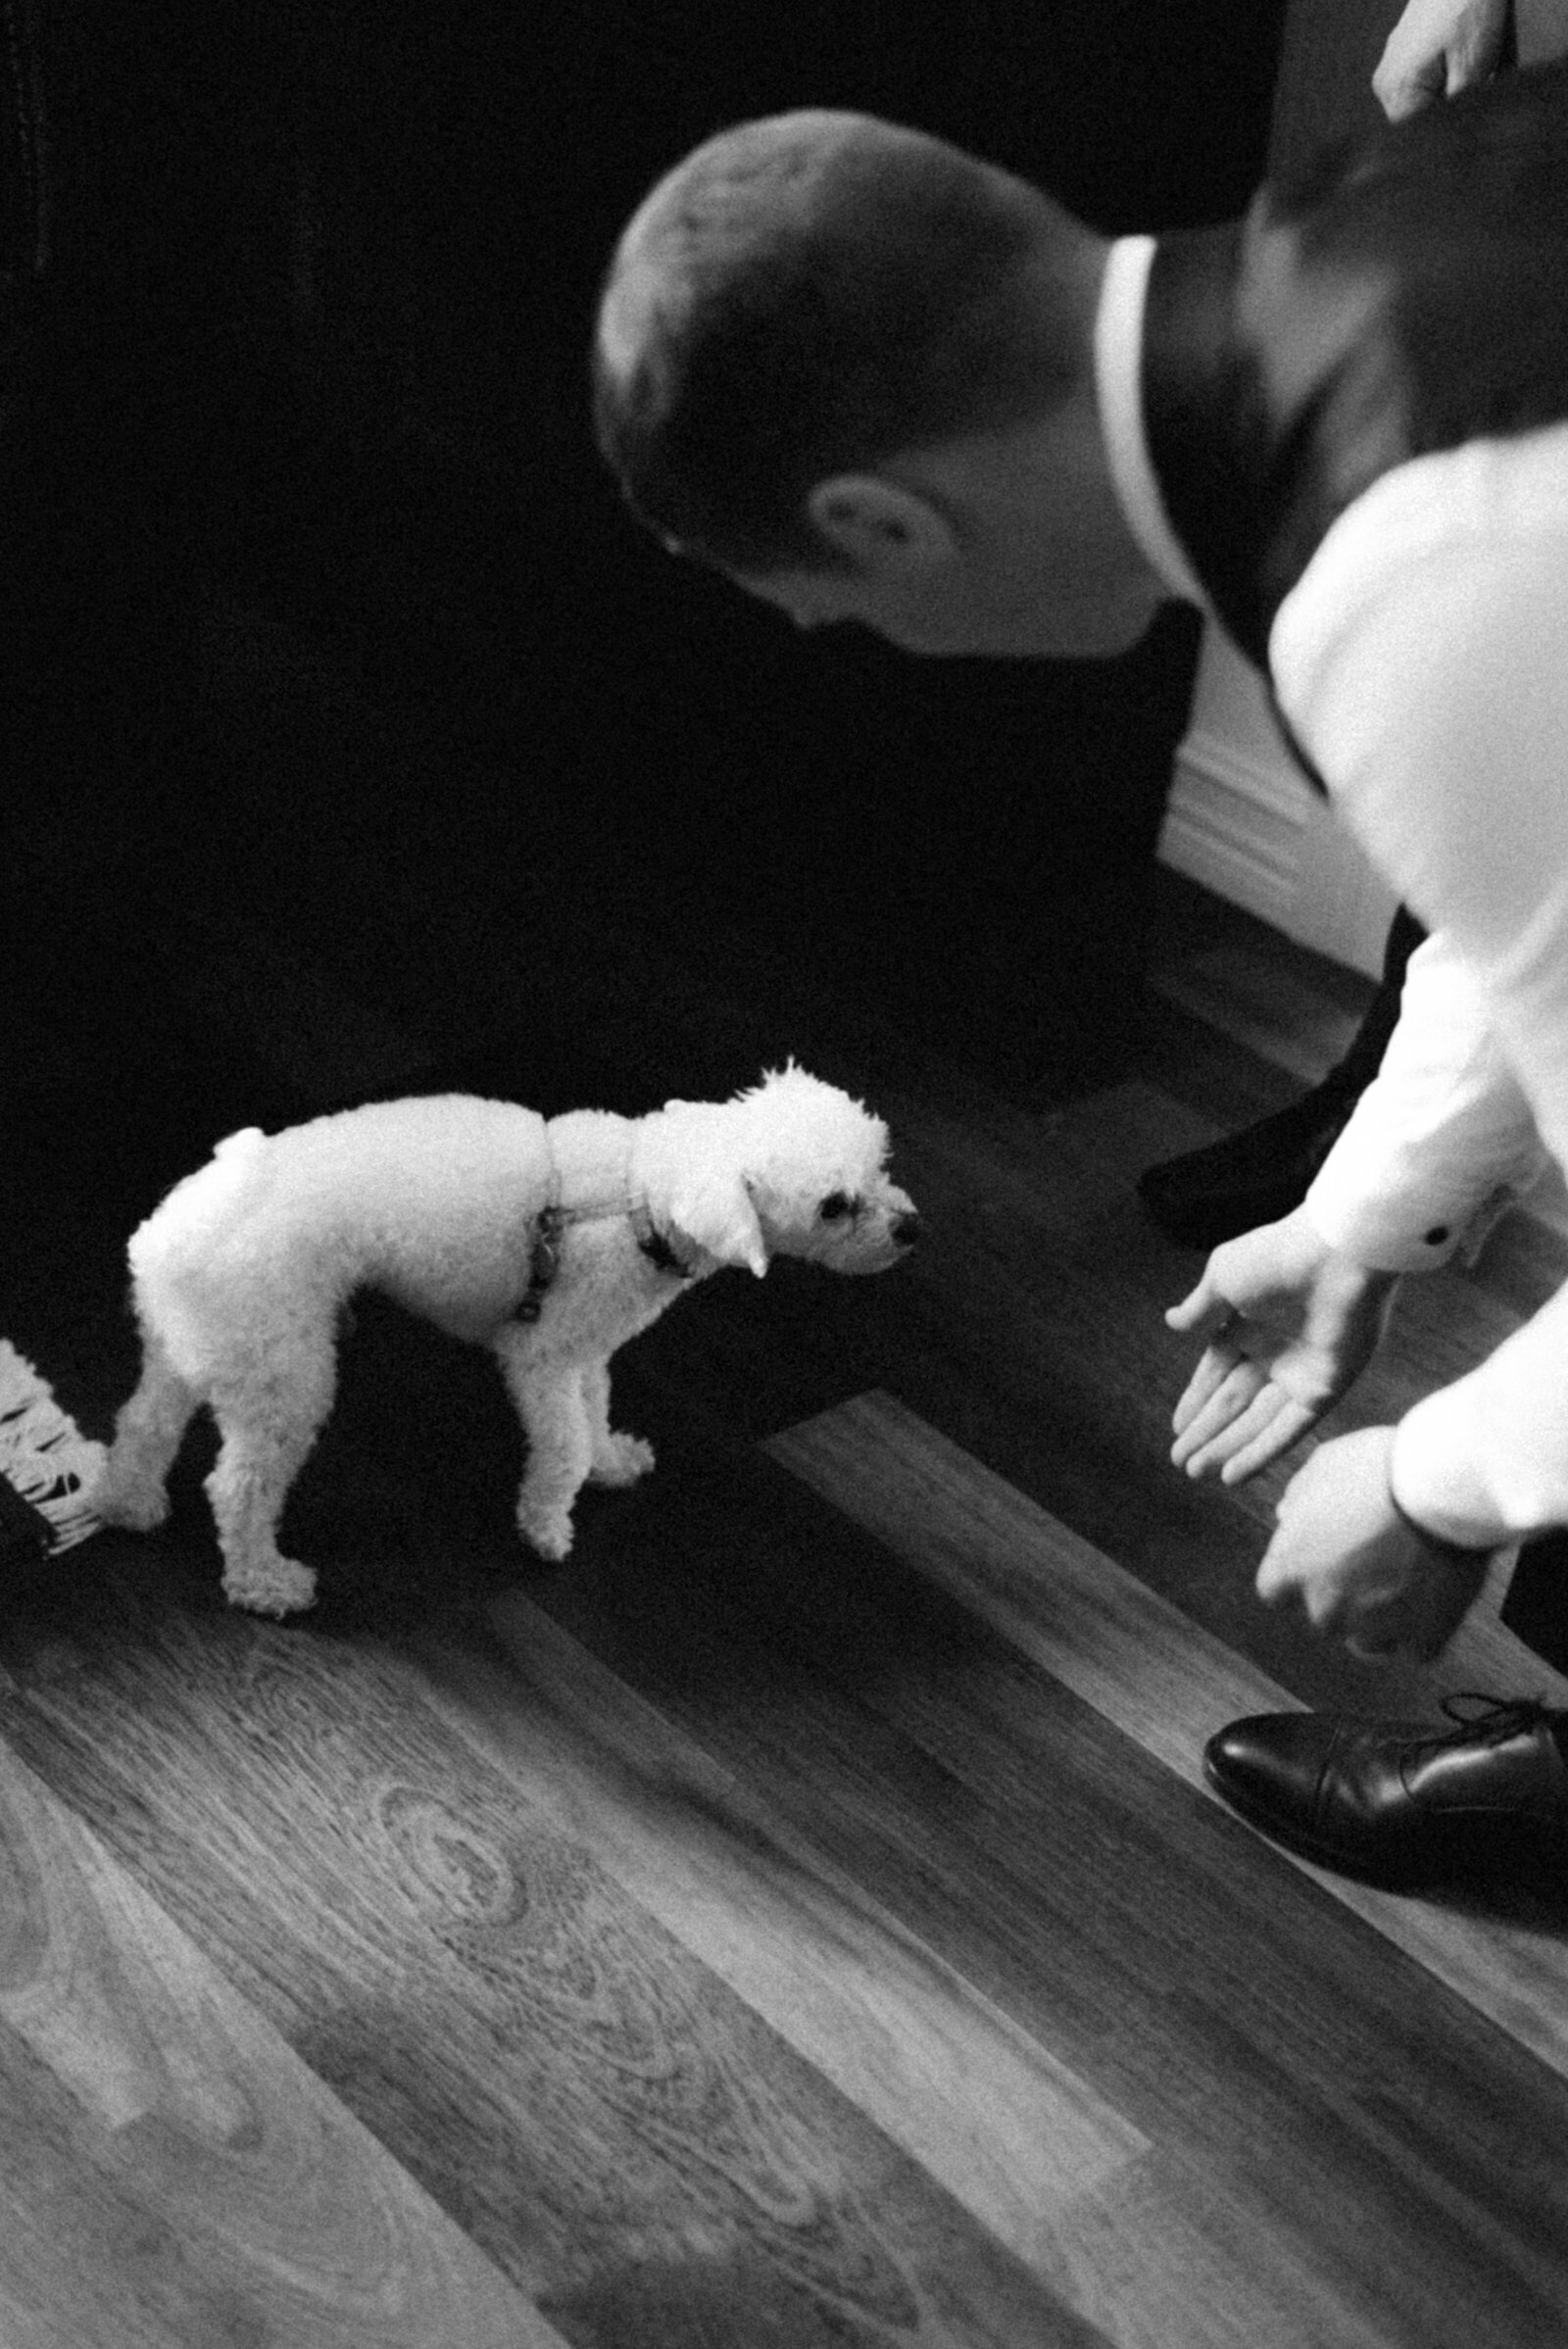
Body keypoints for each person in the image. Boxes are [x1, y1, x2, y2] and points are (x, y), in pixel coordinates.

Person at [591, 48, 1568, 1889]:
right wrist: (1372, 1211)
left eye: (847, 612)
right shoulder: (1396, 217)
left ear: (885, 524)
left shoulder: (1409, 575)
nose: (891, 647)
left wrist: (1437, 1482)